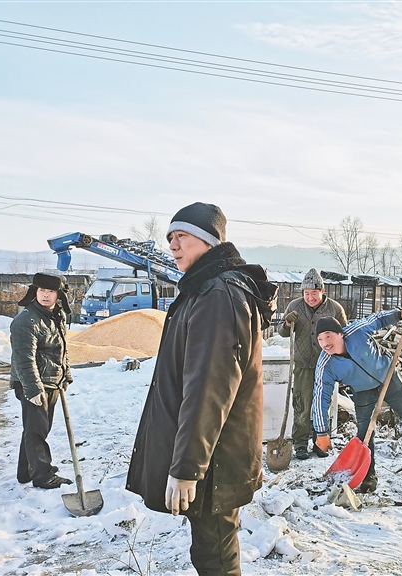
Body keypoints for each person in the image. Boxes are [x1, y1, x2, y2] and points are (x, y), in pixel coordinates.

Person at [126, 202, 277, 576]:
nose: (173, 246)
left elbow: (210, 388)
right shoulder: (204, 291)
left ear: (209, 241)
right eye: (170, 238)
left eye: (183, 237)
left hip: (215, 460)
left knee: (216, 557)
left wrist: (188, 468)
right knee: (211, 550)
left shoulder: (217, 295)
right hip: (214, 456)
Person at [311, 306, 402, 494]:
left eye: (328, 336)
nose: (325, 343)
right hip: (362, 391)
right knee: (365, 433)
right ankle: (368, 474)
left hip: (387, 377)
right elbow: (320, 396)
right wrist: (321, 432)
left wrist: (401, 314)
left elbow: (378, 318)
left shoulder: (356, 332)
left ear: (340, 334)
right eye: (320, 339)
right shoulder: (326, 365)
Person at [10, 272, 74, 489]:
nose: (46, 295)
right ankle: (42, 475)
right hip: (33, 383)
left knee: (35, 428)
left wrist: (66, 375)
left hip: (51, 381)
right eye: (42, 290)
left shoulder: (56, 316)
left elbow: (61, 349)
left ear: (58, 295)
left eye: (51, 291)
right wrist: (34, 389)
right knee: (37, 430)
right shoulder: (25, 321)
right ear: (34, 292)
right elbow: (23, 359)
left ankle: (25, 471)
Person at [279, 268, 347, 460]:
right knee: (302, 404)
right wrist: (287, 324)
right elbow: (282, 333)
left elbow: (345, 334)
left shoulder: (334, 309)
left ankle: (321, 442)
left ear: (322, 291)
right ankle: (300, 444)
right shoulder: (294, 306)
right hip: (302, 365)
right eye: (306, 293)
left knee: (322, 405)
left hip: (327, 365)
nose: (310, 297)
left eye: (314, 293)